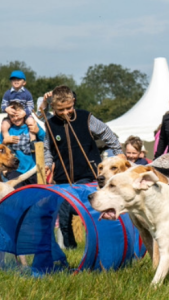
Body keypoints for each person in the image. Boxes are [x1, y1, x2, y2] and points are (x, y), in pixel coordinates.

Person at [39, 85, 122, 249]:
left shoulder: (86, 118)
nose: (65, 113)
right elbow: (48, 148)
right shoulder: (50, 124)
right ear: (54, 108)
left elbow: (107, 133)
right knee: (63, 216)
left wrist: (119, 152)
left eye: (68, 108)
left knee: (91, 212)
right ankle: (70, 248)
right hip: (63, 178)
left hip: (88, 175)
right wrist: (48, 164)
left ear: (73, 102)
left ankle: (97, 244)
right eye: (60, 110)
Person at [1, 101, 45, 187]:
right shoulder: (7, 130)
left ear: (24, 113)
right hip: (16, 171)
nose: (16, 118)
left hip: (33, 169)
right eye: (12, 116)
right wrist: (5, 142)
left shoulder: (31, 126)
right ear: (8, 117)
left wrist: (38, 132)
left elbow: (46, 140)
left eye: (18, 115)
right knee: (18, 194)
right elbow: (0, 149)